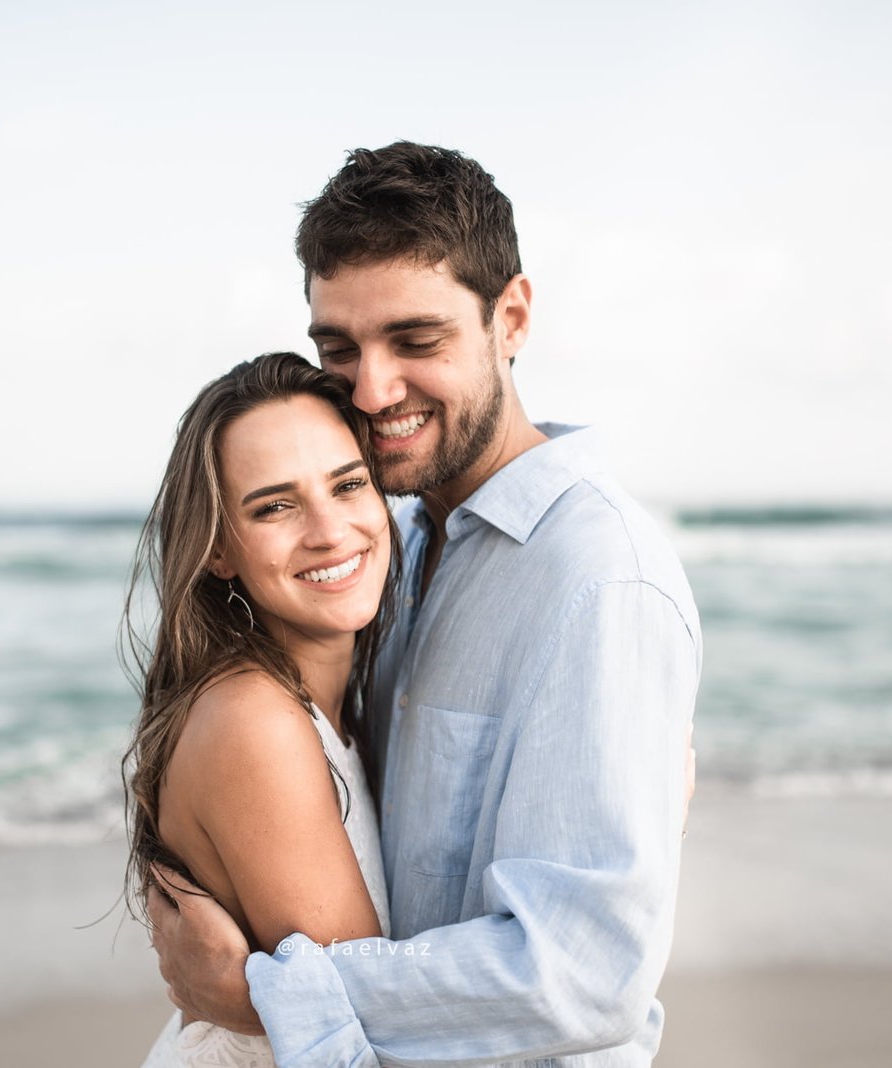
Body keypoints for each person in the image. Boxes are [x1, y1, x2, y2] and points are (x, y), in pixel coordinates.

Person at [146, 142, 702, 1067]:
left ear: (509, 318)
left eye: (415, 340)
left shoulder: (600, 581)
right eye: (340, 349)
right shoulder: (389, 546)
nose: (371, 390)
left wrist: (263, 998)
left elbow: (582, 974)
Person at [124, 352, 402, 1066]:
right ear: (219, 548)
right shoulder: (254, 719)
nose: (329, 530)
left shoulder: (332, 707)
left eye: (349, 484)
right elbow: (371, 1032)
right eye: (276, 506)